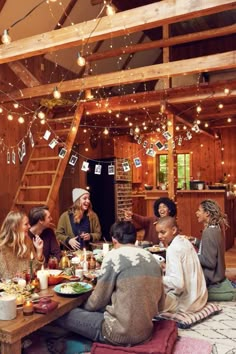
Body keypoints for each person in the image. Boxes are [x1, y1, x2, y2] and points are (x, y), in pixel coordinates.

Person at [57, 220, 164, 347]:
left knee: (62, 314)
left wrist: (80, 307)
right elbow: (161, 305)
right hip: (146, 331)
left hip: (118, 333)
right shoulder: (151, 257)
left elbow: (97, 301)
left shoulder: (114, 256)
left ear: (114, 240)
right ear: (134, 238)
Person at [155, 216, 207, 313]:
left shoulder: (173, 249)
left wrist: (157, 278)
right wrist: (168, 267)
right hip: (200, 298)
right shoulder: (185, 241)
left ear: (174, 230)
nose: (159, 236)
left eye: (162, 232)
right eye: (158, 233)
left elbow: (178, 284)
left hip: (188, 304)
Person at [196, 199, 236, 301]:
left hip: (212, 280)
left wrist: (192, 255)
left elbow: (210, 262)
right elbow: (209, 248)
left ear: (207, 213)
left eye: (199, 210)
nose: (197, 213)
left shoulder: (209, 233)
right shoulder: (215, 228)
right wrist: (195, 241)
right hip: (219, 275)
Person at [0, 210, 44, 279]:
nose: (29, 226)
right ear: (15, 227)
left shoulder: (27, 241)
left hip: (28, 286)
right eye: (26, 224)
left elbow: (35, 270)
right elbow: (5, 277)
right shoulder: (2, 248)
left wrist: (39, 251)